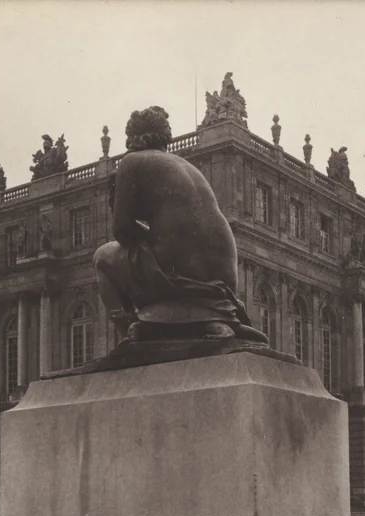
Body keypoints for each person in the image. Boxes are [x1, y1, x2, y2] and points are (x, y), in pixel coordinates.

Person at [93, 105, 266, 344]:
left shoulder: (131, 162)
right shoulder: (186, 166)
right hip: (225, 280)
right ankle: (208, 320)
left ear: (132, 138)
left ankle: (133, 335)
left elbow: (122, 231)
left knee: (102, 257)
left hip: (181, 271)